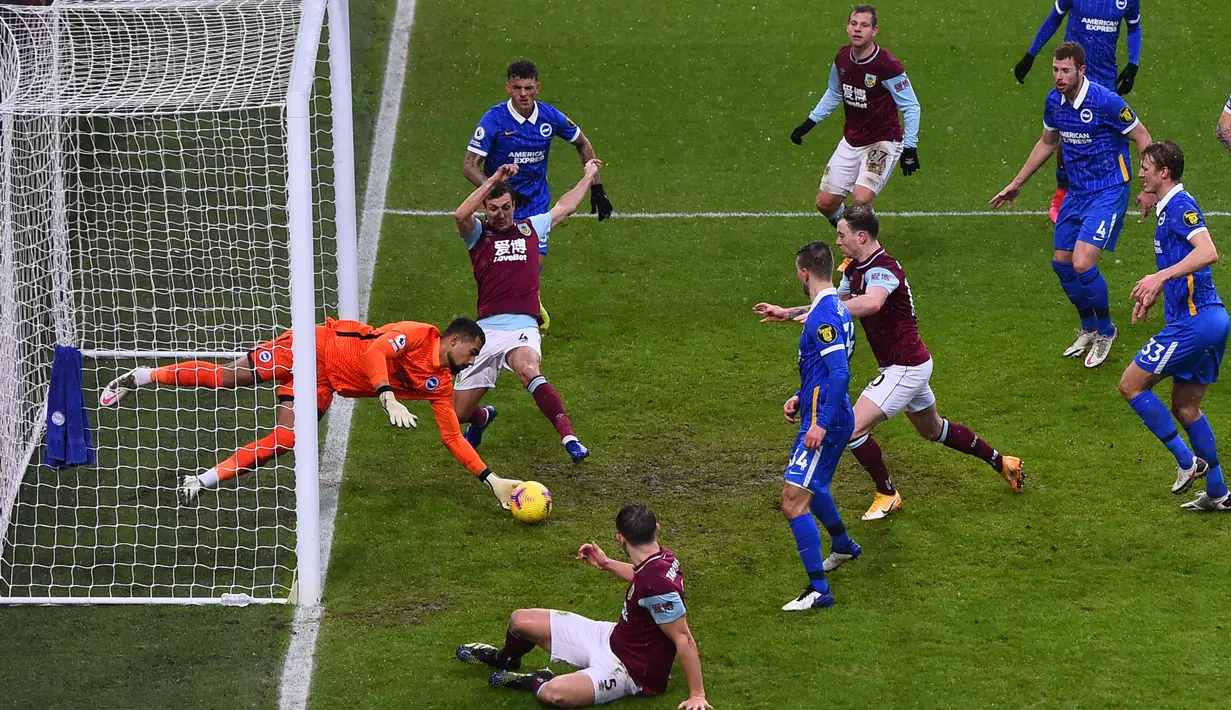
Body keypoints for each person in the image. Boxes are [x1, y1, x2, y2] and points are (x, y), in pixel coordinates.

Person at [754, 207, 1024, 523]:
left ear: (861, 236)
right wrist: (786, 312)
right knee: (934, 430)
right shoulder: (854, 268)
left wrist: (819, 313)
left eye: (842, 234)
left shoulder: (883, 269)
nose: (838, 241)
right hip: (909, 364)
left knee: (851, 429)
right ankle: (1003, 463)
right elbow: (828, 302)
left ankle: (887, 493)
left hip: (904, 367)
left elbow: (872, 302)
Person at [98, 318, 524, 507]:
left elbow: (451, 436)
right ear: (454, 340)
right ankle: (142, 376)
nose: (471, 362)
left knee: (288, 440)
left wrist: (492, 480)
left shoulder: (442, 383)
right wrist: (386, 396)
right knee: (230, 379)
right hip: (313, 346)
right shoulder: (416, 336)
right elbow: (376, 351)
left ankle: (204, 479)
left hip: (324, 383)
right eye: (471, 353)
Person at [991, 41, 1152, 369]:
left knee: (1081, 263)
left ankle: (1107, 330)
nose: (1059, 76)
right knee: (1062, 263)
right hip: (1077, 191)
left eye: (1066, 70)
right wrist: (1016, 183)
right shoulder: (1054, 102)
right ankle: (1090, 327)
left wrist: (1149, 188)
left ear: (1082, 70)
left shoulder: (1106, 101)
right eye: (1055, 70)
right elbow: (1047, 142)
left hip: (1109, 189)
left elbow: (1142, 136)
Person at [455, 505, 711, 709]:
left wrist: (697, 695)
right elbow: (642, 578)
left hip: (628, 671)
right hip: (610, 637)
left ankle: (538, 680)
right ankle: (506, 660)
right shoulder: (662, 559)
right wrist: (607, 563)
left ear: (619, 538)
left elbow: (683, 638)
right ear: (657, 529)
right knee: (520, 620)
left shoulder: (657, 584)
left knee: (553, 694)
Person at [453, 160, 601, 463]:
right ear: (485, 208)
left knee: (528, 369)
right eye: (493, 208)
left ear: (514, 205)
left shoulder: (530, 228)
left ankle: (569, 438)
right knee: (458, 414)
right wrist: (493, 178)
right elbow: (460, 215)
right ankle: (481, 419)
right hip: (485, 332)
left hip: (522, 326)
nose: (501, 213)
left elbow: (565, 206)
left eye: (506, 207)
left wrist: (588, 176)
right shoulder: (478, 235)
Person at [1117, 140, 1230, 511]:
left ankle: (1187, 462)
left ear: (1164, 172)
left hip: (1196, 323)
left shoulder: (1181, 206)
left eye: (1146, 167)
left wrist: (1159, 278)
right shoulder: (1167, 207)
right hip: (1209, 321)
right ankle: (1218, 492)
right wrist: (1156, 293)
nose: (1141, 172)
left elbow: (1208, 251)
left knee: (1131, 385)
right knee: (1185, 407)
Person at [465, 60, 613, 329]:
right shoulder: (493, 120)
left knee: (533, 261)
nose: (523, 94)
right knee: (503, 261)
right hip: (503, 205)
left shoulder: (549, 117)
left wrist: (597, 187)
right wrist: (495, 193)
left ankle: (528, 305)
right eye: (517, 88)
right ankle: (503, 310)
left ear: (538, 88)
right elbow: (469, 166)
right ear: (508, 87)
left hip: (536, 201)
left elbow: (582, 143)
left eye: (529, 88)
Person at [774, 241, 860, 611]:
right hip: (826, 407)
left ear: (805, 271)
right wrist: (800, 393)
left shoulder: (823, 316)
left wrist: (820, 424)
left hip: (826, 416)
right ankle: (843, 545)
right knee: (815, 484)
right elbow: (826, 369)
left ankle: (818, 591)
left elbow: (840, 371)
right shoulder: (834, 308)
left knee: (793, 501)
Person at [788, 4, 921, 227]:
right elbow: (834, 92)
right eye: (854, 24)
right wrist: (809, 123)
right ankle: (852, 233)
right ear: (847, 28)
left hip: (883, 142)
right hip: (852, 141)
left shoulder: (887, 66)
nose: (858, 29)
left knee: (861, 199)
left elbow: (911, 106)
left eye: (864, 25)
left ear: (874, 31)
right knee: (825, 203)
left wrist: (910, 148)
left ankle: (865, 247)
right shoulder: (842, 59)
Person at [1013, 0, 1143, 221]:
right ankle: (1063, 190)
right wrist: (1031, 54)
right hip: (1073, 73)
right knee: (1067, 134)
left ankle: (1107, 191)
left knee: (1110, 135)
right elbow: (1055, 17)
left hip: (1104, 79)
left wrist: (1133, 64)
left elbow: (1134, 27)